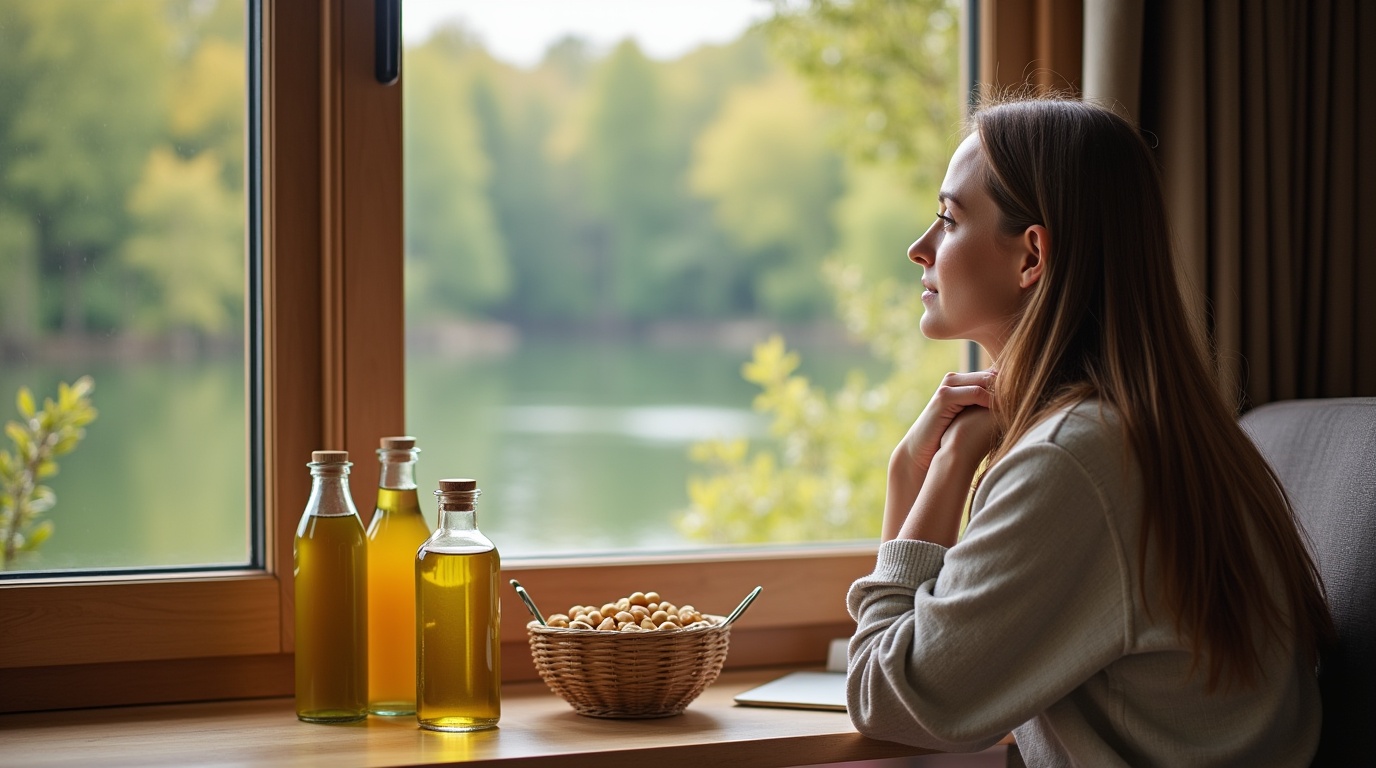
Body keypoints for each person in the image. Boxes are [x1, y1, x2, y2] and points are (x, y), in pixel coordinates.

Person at [846, 97, 1334, 766]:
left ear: (1030, 258)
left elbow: (889, 696)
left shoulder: (1074, 462)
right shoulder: (1132, 433)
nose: (919, 247)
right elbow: (951, 689)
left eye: (948, 218)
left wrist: (935, 469)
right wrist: (927, 471)